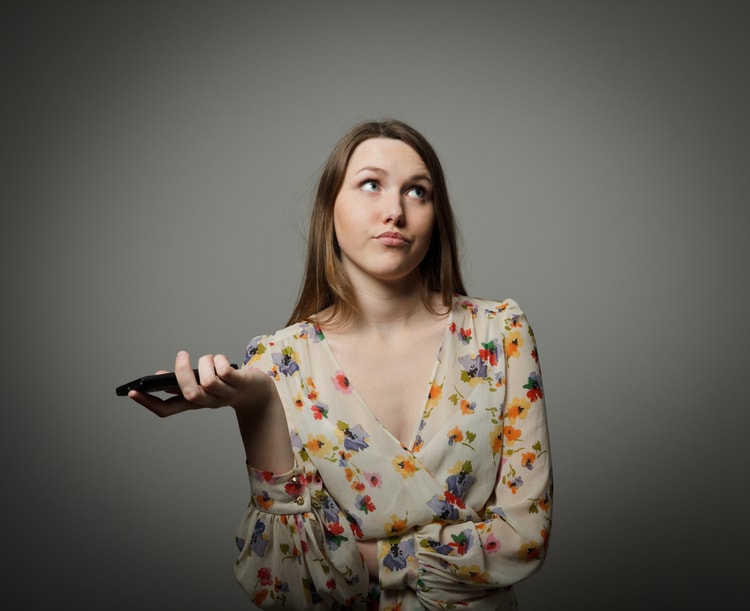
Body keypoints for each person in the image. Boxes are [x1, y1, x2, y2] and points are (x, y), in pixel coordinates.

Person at [129, 119, 553, 610]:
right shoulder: (280, 363)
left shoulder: (500, 333)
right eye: (371, 184)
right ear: (330, 207)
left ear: (436, 216)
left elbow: (524, 538)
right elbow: (283, 580)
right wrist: (258, 405)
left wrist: (368, 558)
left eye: (417, 192)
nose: (394, 210)